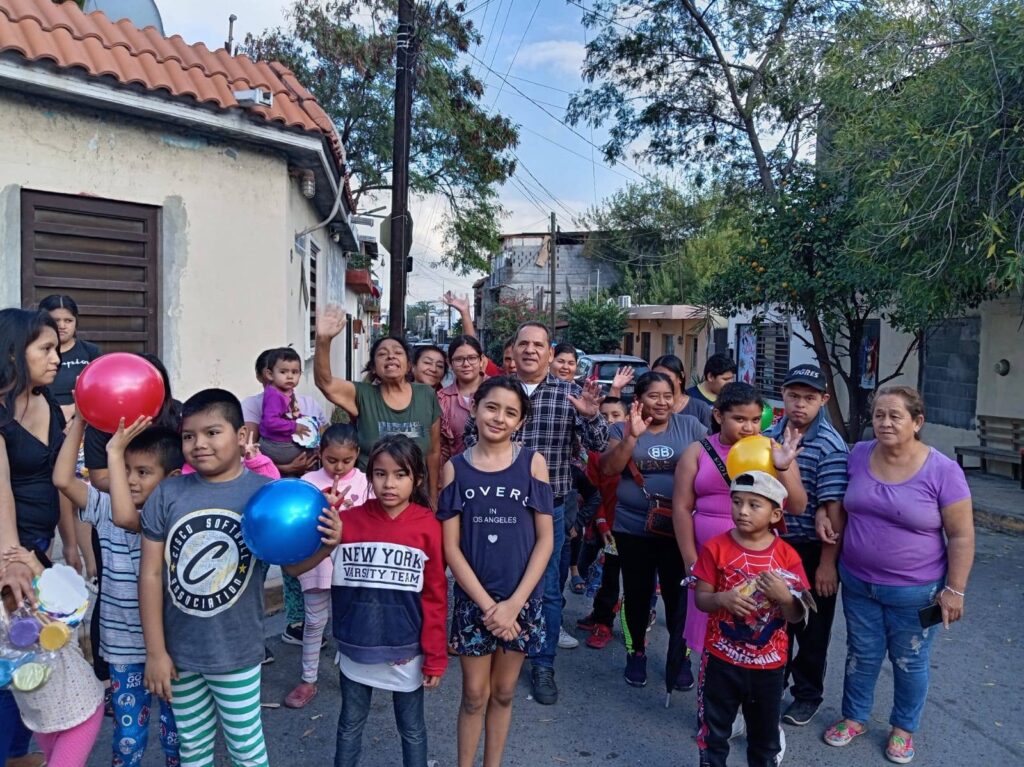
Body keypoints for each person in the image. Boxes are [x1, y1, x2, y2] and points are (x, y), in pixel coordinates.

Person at [821, 386, 974, 765]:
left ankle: (903, 729)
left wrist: (955, 590)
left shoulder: (943, 470)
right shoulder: (858, 455)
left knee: (910, 660)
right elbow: (838, 501)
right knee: (861, 654)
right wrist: (824, 513)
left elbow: (961, 534)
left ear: (917, 421)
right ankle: (854, 717)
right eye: (879, 415)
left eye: (895, 416)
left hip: (917, 592)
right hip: (858, 583)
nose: (885, 423)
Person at [463, 321, 607, 705]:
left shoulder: (570, 393)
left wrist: (592, 416)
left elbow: (600, 445)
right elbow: (468, 439)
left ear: (549, 352)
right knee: (490, 578)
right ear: (513, 350)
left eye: (538, 345)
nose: (530, 350)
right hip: (493, 508)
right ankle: (489, 645)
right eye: (523, 343)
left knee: (547, 590)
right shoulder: (496, 391)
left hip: (548, 510)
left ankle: (543, 663)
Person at [286, 435, 447, 767]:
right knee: (349, 724)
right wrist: (324, 527)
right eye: (380, 474)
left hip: (405, 649)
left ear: (417, 479)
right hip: (356, 645)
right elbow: (293, 566)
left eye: (400, 474)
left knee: (412, 728)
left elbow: (435, 597)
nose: (389, 484)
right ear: (369, 475)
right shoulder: (346, 521)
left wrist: (435, 656)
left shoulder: (428, 527)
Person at [140, 389, 274, 767]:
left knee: (246, 749)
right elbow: (150, 573)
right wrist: (156, 652)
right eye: (189, 436)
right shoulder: (168, 493)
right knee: (193, 749)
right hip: (179, 652)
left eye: (212, 432)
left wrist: (325, 545)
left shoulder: (263, 495)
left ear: (242, 436)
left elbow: (294, 567)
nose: (199, 444)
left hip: (237, 650)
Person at [53, 413, 183, 766]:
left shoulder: (173, 515)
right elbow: (62, 479)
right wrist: (81, 422)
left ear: (171, 478)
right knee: (128, 738)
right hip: (122, 646)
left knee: (178, 736)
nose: (130, 479)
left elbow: (131, 519)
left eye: (143, 472)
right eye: (125, 470)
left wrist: (114, 453)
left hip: (171, 648)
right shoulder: (104, 506)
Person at [439, 377, 554, 767]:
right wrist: (491, 608)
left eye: (510, 412)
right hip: (475, 602)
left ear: (520, 421)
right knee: (474, 694)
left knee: (504, 692)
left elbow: (545, 541)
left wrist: (514, 605)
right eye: (492, 407)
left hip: (522, 602)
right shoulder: (455, 469)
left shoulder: (533, 464)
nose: (499, 418)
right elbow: (451, 547)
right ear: (474, 407)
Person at [673, 382, 806, 671]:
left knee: (752, 628)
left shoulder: (774, 451)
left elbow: (797, 506)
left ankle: (754, 686)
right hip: (708, 557)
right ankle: (710, 688)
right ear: (718, 416)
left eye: (756, 420)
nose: (749, 427)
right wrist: (691, 561)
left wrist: (783, 468)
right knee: (710, 628)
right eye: (740, 419)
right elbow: (681, 507)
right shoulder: (698, 451)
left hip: (757, 559)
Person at [693, 471, 811, 767]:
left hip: (768, 667)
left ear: (775, 514)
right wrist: (722, 599)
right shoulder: (715, 548)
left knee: (764, 739)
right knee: (713, 734)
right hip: (720, 660)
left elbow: (797, 616)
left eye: (753, 504)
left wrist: (785, 597)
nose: (742, 511)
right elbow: (701, 599)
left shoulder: (787, 556)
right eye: (736, 502)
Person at [599, 372, 708, 688]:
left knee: (679, 596)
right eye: (653, 396)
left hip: (679, 529)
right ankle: (636, 652)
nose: (662, 402)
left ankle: (680, 657)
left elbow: (715, 461)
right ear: (639, 399)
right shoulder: (620, 428)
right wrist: (632, 437)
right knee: (637, 594)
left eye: (667, 395)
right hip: (632, 527)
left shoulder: (691, 427)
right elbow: (608, 468)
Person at [764, 366, 849, 728]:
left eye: (809, 398)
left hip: (812, 550)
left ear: (823, 400)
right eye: (794, 396)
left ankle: (807, 694)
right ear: (783, 395)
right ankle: (772, 683)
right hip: (773, 546)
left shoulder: (830, 445)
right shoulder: (769, 435)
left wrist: (828, 564)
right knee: (773, 621)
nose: (800, 404)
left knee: (813, 629)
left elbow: (834, 510)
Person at [0, 308, 65, 766]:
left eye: (56, 348)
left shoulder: (49, 403)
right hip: (9, 548)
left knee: (28, 653)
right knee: (8, 661)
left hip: (38, 545)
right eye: (45, 348)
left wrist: (72, 546)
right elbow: (0, 489)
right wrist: (10, 558)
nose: (56, 357)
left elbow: (60, 479)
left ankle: (17, 752)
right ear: (12, 354)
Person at [315, 306, 442, 508]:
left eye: (398, 353)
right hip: (369, 498)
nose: (391, 356)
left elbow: (434, 452)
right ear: (374, 367)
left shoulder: (426, 394)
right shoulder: (363, 394)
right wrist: (323, 340)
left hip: (415, 499)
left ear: (409, 365)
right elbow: (325, 383)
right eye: (382, 354)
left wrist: (433, 496)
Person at [284, 424, 369, 709]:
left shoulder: (365, 481)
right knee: (314, 622)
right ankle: (308, 679)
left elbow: (371, 519)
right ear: (320, 453)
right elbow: (297, 523)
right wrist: (324, 508)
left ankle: (352, 675)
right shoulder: (308, 481)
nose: (339, 467)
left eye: (347, 460)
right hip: (316, 563)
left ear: (357, 454)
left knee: (350, 620)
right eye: (332, 460)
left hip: (352, 564)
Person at [1, 546, 105, 767]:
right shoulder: (6, 633)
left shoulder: (56, 618)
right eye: (7, 592)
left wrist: (35, 566)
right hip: (42, 722)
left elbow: (70, 600)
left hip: (82, 713)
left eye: (27, 585)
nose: (19, 597)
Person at [39, 294, 102, 588]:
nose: (62, 326)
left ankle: (93, 568)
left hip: (84, 435)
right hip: (48, 434)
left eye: (68, 320)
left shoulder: (90, 352)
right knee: (58, 497)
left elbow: (100, 390)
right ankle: (67, 555)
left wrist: (75, 413)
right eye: (56, 320)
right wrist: (61, 413)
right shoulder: (37, 353)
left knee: (83, 500)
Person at [576, 396, 628, 650]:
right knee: (590, 569)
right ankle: (600, 611)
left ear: (627, 418)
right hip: (601, 524)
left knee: (611, 575)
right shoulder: (595, 453)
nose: (610, 421)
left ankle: (604, 622)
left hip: (626, 525)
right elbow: (593, 491)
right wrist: (601, 522)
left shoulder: (633, 448)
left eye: (616, 415)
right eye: (604, 416)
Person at [258, 347, 315, 465]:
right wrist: (294, 426)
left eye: (294, 372)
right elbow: (270, 421)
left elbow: (289, 413)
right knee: (312, 452)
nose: (290, 376)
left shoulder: (286, 390)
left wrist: (303, 419)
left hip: (281, 442)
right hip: (275, 445)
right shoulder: (274, 395)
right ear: (270, 374)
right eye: (283, 372)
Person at [438, 335, 487, 464]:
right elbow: (440, 446)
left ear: (481, 360)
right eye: (459, 359)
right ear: (450, 363)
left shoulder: (499, 389)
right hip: (458, 470)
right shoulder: (442, 399)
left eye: (472, 358)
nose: (466, 364)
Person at [652, 354, 713, 429]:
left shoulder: (700, 408)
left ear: (680, 377)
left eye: (666, 377)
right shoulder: (649, 407)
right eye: (655, 377)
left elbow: (710, 436)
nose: (660, 382)